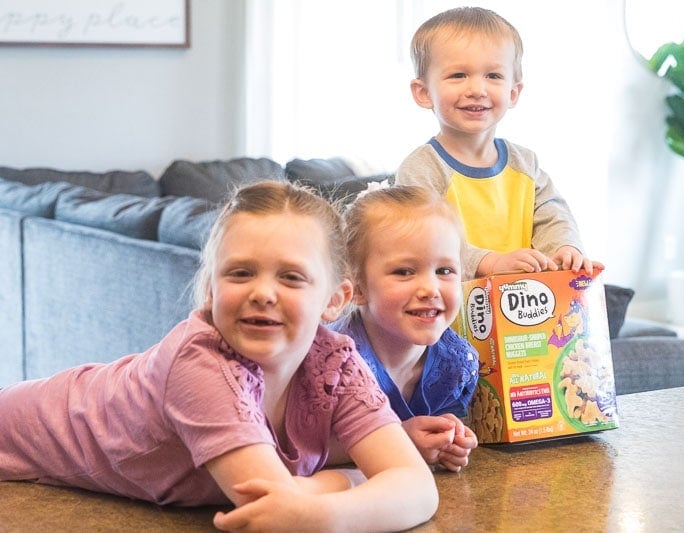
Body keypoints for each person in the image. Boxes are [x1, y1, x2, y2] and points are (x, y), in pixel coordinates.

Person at [0, 181, 438, 532]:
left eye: (291, 276)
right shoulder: (200, 365)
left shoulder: (336, 361)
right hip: (17, 428)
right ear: (211, 289)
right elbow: (268, 507)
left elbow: (418, 489)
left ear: (335, 299)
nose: (262, 293)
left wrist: (318, 508)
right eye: (240, 273)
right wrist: (355, 484)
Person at [396, 6, 601, 279]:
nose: (477, 90)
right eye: (458, 75)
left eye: (493, 76)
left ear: (513, 92)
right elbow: (422, 240)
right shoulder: (422, 168)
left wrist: (564, 246)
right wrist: (488, 262)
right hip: (450, 313)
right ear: (423, 92)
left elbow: (552, 215)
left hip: (525, 309)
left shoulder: (526, 164)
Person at [330, 186, 479, 473]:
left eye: (445, 271)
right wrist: (397, 439)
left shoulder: (459, 365)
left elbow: (444, 425)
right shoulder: (330, 364)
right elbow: (300, 451)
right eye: (404, 271)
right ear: (357, 287)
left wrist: (451, 441)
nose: (430, 289)